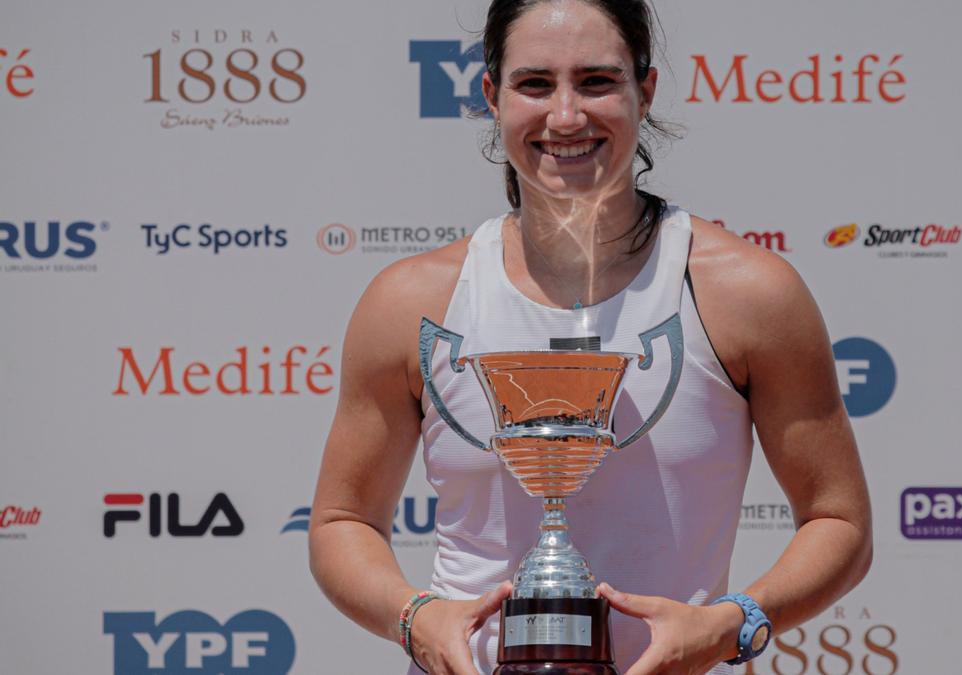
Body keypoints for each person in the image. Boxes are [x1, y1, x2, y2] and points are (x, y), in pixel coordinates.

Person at [309, 1, 872, 673]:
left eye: (598, 81)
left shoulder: (749, 294)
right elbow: (342, 520)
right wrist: (416, 616)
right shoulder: (411, 302)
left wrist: (730, 622)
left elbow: (839, 521)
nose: (567, 116)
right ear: (492, 95)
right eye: (536, 84)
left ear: (646, 90)